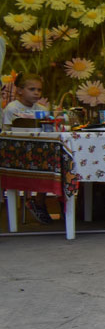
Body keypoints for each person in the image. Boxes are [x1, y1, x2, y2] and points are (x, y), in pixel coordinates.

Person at [2, 73, 54, 223]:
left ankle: (39, 201)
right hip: (18, 152)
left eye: (39, 90)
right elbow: (6, 133)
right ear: (19, 90)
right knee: (46, 161)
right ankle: (37, 202)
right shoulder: (12, 109)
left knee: (53, 162)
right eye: (32, 89)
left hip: (38, 151)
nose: (37, 93)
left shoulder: (42, 108)